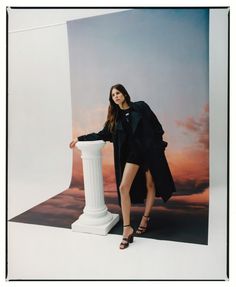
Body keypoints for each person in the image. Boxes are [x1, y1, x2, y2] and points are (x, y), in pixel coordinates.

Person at [69, 84, 176, 250]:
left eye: (118, 93)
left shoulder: (141, 106)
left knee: (150, 185)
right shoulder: (114, 119)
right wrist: (80, 138)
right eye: (113, 95)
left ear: (124, 94)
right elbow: (101, 135)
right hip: (133, 156)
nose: (116, 96)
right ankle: (127, 229)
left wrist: (157, 147)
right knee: (124, 187)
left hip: (149, 151)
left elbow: (157, 127)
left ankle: (145, 218)